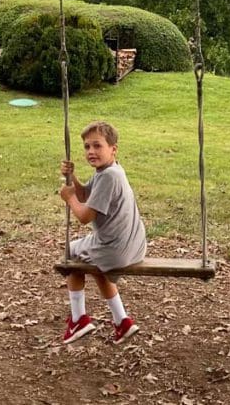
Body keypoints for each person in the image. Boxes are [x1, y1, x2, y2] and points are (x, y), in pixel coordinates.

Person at [58, 120, 146, 345]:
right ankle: (122, 321)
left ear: (113, 149)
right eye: (87, 147)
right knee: (92, 260)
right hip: (133, 244)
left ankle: (78, 319)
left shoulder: (108, 177)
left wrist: (69, 198)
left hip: (115, 249)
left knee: (72, 254)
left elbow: (85, 215)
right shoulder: (109, 170)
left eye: (97, 146)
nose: (91, 152)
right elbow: (87, 194)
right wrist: (73, 179)